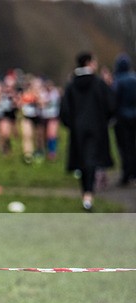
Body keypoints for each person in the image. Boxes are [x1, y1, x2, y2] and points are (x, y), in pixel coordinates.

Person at [60, 52, 115, 211]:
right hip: (96, 128)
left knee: (82, 162)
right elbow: (111, 105)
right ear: (89, 63)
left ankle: (86, 193)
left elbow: (64, 110)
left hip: (78, 129)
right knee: (91, 160)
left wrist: (71, 124)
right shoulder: (99, 84)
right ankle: (89, 195)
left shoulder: (71, 86)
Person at [112, 53, 136, 187]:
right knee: (133, 146)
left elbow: (114, 100)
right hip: (134, 116)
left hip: (122, 118)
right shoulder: (134, 79)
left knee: (124, 147)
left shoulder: (118, 81)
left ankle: (126, 174)